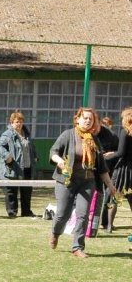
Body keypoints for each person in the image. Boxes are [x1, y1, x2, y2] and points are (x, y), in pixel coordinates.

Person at [48, 107, 117, 258]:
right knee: (62, 215)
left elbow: (101, 167)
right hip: (66, 181)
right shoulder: (68, 135)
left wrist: (111, 186)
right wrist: (60, 161)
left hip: (87, 182)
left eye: (90, 119)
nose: (87, 121)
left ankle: (77, 247)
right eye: (85, 118)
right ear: (77, 119)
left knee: (83, 215)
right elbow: (53, 152)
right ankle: (55, 232)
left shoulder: (94, 140)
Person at [0, 111, 38, 218]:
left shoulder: (26, 133)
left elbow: (31, 147)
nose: (19, 124)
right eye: (16, 122)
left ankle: (26, 211)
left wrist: (36, 156)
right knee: (11, 192)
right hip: (13, 168)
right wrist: (7, 156)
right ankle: (12, 212)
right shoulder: (7, 134)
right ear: (11, 123)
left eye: (21, 121)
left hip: (27, 167)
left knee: (27, 191)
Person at [105, 107, 132, 231]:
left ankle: (109, 226)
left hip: (123, 170)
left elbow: (120, 153)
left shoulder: (124, 132)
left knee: (115, 197)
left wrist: (110, 155)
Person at [97, 116, 120, 232]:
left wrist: (112, 154)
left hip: (110, 169)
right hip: (94, 169)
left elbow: (119, 152)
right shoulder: (88, 134)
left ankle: (105, 223)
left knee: (108, 195)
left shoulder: (112, 136)